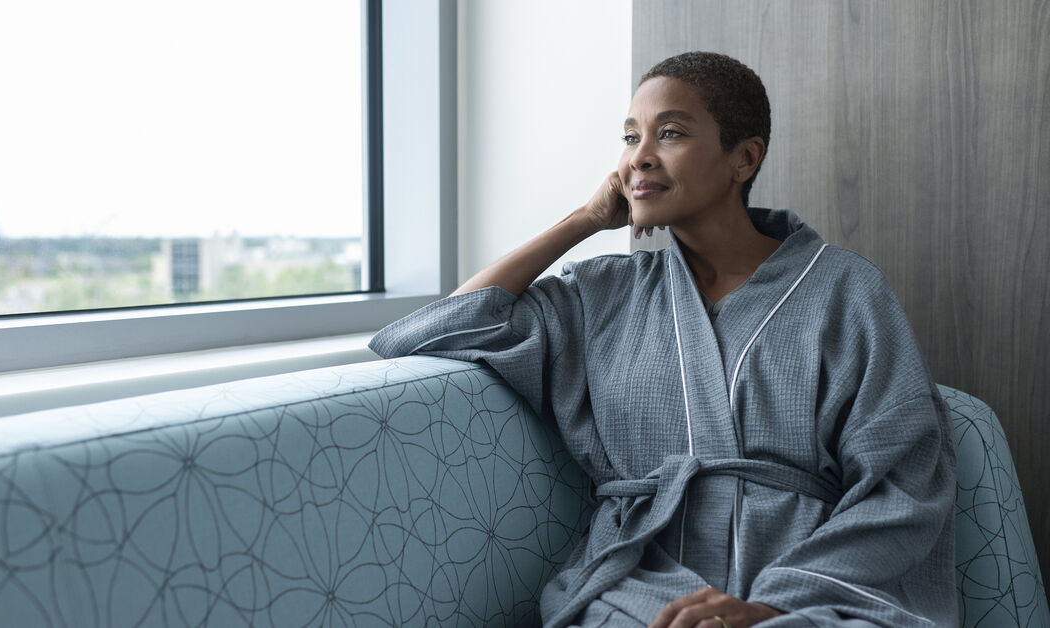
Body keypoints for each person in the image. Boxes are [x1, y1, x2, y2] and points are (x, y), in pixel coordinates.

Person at [369, 51, 956, 627]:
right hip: (642, 583)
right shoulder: (601, 293)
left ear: (743, 159)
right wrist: (582, 221)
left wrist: (774, 602)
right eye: (630, 138)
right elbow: (432, 332)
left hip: (807, 585)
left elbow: (904, 481)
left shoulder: (845, 288)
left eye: (669, 134)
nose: (639, 159)